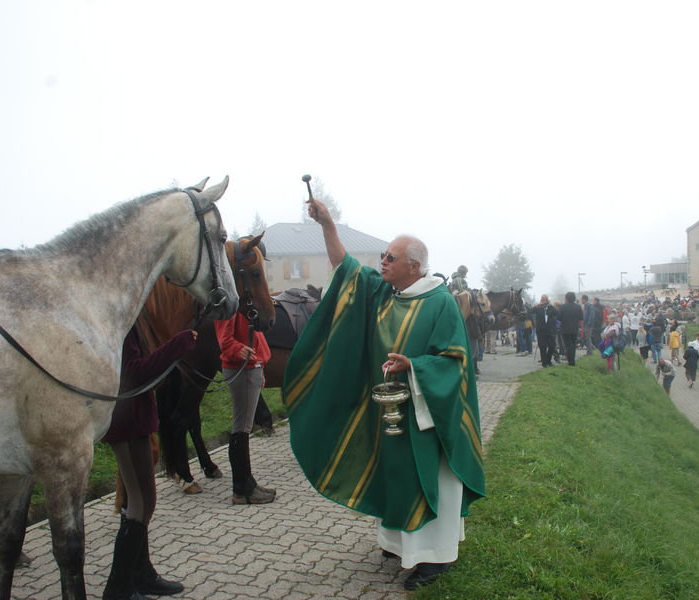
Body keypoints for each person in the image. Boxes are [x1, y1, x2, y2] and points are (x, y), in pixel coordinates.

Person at [287, 197, 486, 590]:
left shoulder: (440, 303)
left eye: (390, 257)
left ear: (414, 266)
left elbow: (455, 361)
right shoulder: (382, 293)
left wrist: (413, 366)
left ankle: (435, 557)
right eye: (383, 255)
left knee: (426, 479)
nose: (382, 261)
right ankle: (399, 543)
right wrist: (328, 224)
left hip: (429, 418)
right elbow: (344, 266)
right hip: (392, 411)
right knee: (394, 475)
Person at [101, 325, 197, 600]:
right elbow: (134, 373)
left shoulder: (134, 322)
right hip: (127, 421)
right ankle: (118, 588)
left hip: (135, 419)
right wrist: (177, 344)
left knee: (142, 502)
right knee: (140, 502)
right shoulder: (124, 325)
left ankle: (141, 573)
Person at [215, 309, 277, 505]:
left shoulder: (246, 307)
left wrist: (260, 367)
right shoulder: (232, 308)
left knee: (243, 429)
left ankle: (248, 483)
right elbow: (224, 340)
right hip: (243, 370)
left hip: (252, 368)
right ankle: (242, 490)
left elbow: (255, 338)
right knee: (241, 429)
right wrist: (238, 349)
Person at [532, 294, 558, 368]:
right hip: (541, 331)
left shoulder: (551, 307)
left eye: (545, 299)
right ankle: (544, 363)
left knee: (552, 346)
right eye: (542, 299)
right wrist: (537, 306)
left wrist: (551, 305)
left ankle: (548, 360)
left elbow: (557, 313)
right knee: (542, 348)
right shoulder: (538, 307)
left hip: (550, 330)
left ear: (547, 300)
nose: (544, 301)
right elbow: (530, 312)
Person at [557, 291, 583, 366]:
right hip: (574, 329)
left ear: (566, 298)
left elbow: (559, 318)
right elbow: (581, 318)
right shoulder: (578, 307)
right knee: (573, 344)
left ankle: (571, 362)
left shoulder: (562, 307)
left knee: (568, 345)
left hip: (565, 329)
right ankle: (572, 360)